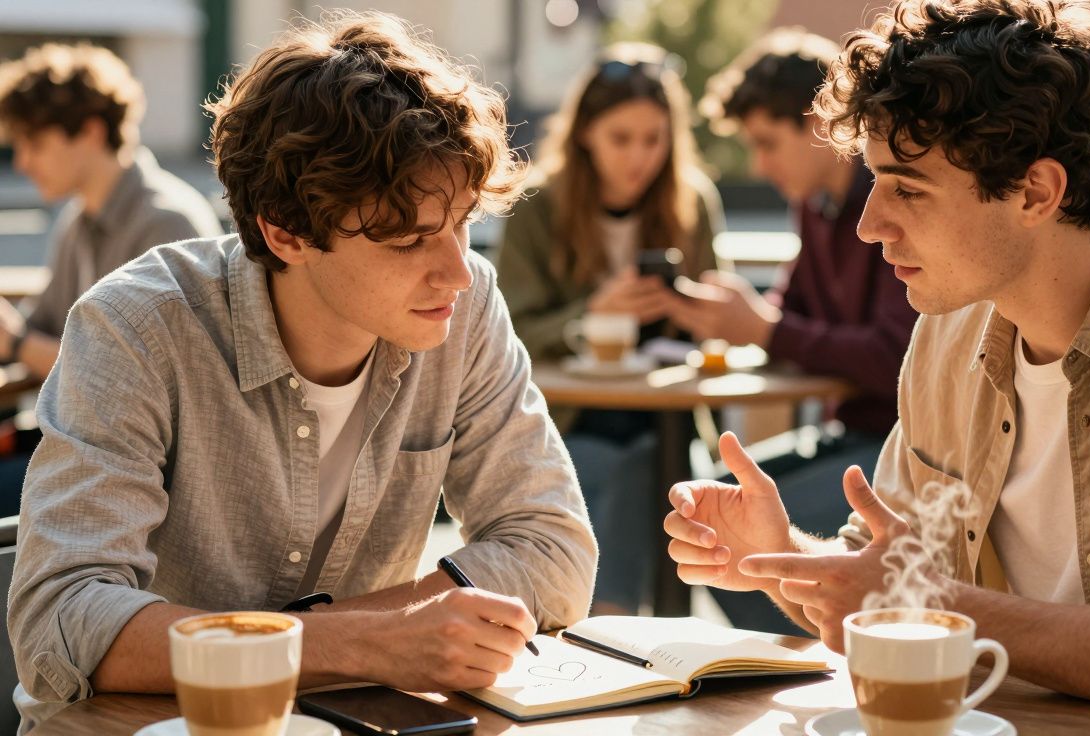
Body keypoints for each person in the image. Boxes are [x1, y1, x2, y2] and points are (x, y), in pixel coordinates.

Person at [665, 1, 1090, 733]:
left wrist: (926, 601)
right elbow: (880, 593)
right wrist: (782, 553)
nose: (870, 225)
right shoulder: (947, 332)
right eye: (873, 181)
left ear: (1036, 192)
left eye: (907, 186)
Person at [8, 12, 596, 729]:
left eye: (464, 222)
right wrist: (364, 642)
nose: (459, 273)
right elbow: (60, 624)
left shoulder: (464, 312)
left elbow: (554, 548)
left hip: (346, 717)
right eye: (411, 239)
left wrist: (350, 639)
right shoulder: (135, 328)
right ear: (285, 231)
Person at [677, 28, 919, 633]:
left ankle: (814, 664)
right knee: (708, 507)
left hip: (897, 451)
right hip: (850, 434)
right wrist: (737, 320)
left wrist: (762, 327)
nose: (758, 164)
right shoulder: (815, 204)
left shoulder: (886, 203)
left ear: (818, 122)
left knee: (729, 537)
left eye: (767, 143)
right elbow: (792, 312)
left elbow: (896, 359)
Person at [496, 42, 722, 615]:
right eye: (621, 139)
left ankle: (607, 622)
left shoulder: (692, 201)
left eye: (654, 139)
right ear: (586, 134)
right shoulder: (537, 206)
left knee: (653, 467)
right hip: (569, 421)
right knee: (634, 473)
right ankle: (628, 623)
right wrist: (593, 315)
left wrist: (696, 311)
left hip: (668, 416)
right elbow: (507, 329)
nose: (639, 158)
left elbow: (715, 325)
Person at [0, 44, 223, 514]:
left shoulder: (167, 224)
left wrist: (17, 344)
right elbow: (37, 329)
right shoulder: (78, 222)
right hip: (82, 444)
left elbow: (142, 385)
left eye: (34, 143)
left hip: (141, 471)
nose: (21, 162)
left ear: (90, 132)